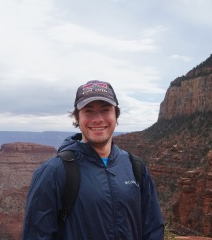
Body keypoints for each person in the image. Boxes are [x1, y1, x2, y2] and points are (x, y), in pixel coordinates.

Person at [22, 80, 164, 239]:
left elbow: (153, 228)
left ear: (116, 114)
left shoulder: (135, 167)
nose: (98, 119)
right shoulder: (54, 171)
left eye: (105, 110)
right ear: (77, 117)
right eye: (88, 111)